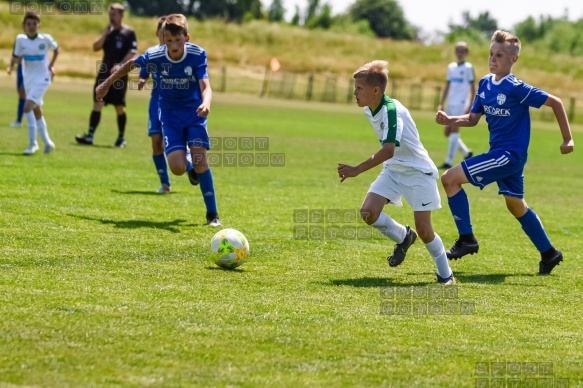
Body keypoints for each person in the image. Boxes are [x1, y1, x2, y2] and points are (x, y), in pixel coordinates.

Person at [436, 30, 575, 275]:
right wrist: (450, 119)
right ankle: (549, 253)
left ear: (513, 59)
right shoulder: (485, 83)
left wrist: (567, 138)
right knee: (516, 205)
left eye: (499, 55)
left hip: (508, 155)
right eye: (491, 54)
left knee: (449, 178)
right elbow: (472, 119)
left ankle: (467, 239)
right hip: (502, 155)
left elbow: (556, 102)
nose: (493, 59)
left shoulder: (516, 88)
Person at [95, 14, 220, 226]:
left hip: (194, 114)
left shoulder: (198, 54)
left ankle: (212, 215)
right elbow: (130, 64)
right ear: (163, 38)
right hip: (170, 117)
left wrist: (206, 103)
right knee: (178, 168)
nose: (173, 45)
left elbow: (206, 86)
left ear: (186, 38)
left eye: (177, 40)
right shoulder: (155, 54)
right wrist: (106, 84)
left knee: (201, 161)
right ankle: (186, 161)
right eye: (168, 40)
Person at [338, 60, 455, 285]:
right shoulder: (368, 109)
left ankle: (445, 274)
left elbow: (389, 150)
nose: (354, 92)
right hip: (394, 170)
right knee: (368, 213)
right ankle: (403, 236)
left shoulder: (392, 111)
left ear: (376, 90)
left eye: (359, 88)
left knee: (425, 229)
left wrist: (356, 170)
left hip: (417, 171)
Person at [137, 16, 198, 194]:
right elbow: (143, 72)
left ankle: (188, 165)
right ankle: (165, 184)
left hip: (175, 104)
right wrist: (141, 80)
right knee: (156, 143)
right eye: (164, 34)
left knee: (176, 138)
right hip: (156, 101)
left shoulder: (181, 54)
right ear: (160, 34)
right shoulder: (152, 53)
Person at [75, 3, 137, 147]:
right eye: (110, 14)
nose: (111, 17)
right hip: (104, 72)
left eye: (114, 14)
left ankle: (121, 138)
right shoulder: (107, 31)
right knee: (98, 101)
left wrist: (121, 65)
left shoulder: (128, 32)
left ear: (122, 15)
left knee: (119, 105)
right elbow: (95, 47)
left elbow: (133, 52)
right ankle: (90, 135)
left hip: (120, 74)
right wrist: (104, 33)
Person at [7, 11, 59, 155]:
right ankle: (48, 143)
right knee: (36, 110)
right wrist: (14, 64)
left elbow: (57, 49)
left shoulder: (45, 38)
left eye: (34, 24)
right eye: (28, 24)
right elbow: (15, 57)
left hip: (43, 78)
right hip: (29, 79)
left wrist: (51, 65)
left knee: (27, 107)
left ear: (39, 25)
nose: (31, 27)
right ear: (24, 26)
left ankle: (32, 144)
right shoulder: (20, 39)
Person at [437, 41, 475, 169]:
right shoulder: (451, 67)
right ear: (455, 52)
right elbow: (447, 86)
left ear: (466, 53)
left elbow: (472, 87)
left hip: (461, 103)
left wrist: (471, 104)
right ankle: (466, 152)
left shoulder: (468, 67)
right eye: (458, 51)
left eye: (463, 51)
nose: (460, 53)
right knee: (447, 132)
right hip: (451, 103)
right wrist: (442, 103)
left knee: (454, 130)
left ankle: (448, 161)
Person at [8, 62, 26, 128]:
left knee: (22, 91)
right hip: (20, 67)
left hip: (29, 67)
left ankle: (19, 121)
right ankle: (19, 120)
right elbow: (15, 55)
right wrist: (11, 66)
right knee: (21, 95)